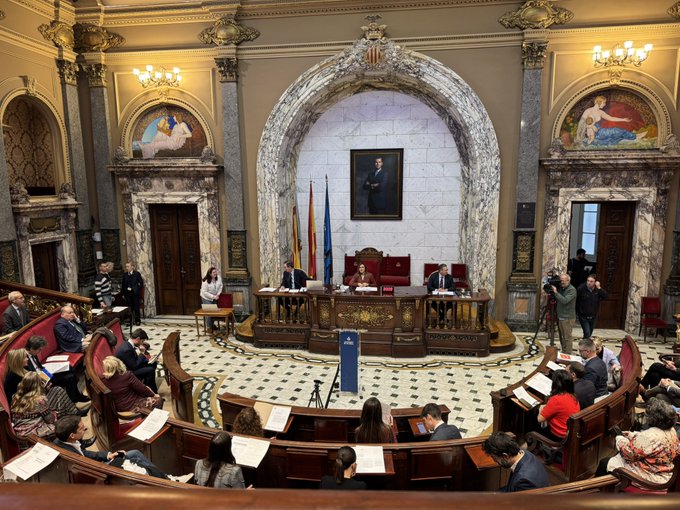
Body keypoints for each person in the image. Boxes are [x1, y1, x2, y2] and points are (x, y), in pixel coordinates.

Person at [53, 415, 179, 480]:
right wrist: (113, 462)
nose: (85, 428)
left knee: (134, 453)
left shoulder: (63, 441)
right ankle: (165, 480)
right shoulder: (70, 454)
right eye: (82, 428)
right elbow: (85, 465)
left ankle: (164, 476)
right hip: (98, 473)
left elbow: (85, 453)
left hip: (96, 466)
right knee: (134, 461)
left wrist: (108, 455)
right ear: (72, 435)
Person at [595, 399, 680, 485]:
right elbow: (653, 441)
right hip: (665, 471)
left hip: (651, 476)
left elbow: (628, 454)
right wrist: (631, 435)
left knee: (604, 463)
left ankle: (599, 490)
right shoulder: (672, 430)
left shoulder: (648, 436)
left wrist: (619, 438)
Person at [3, 348, 85, 418]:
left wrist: (44, 385)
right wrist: (43, 388)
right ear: (18, 360)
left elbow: (35, 381)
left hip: (36, 395)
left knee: (66, 379)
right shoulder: (13, 377)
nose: (27, 359)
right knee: (58, 390)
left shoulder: (24, 368)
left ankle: (73, 412)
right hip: (29, 405)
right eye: (25, 357)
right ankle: (71, 414)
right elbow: (22, 396)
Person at [25, 335, 89, 403]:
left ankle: (76, 397)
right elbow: (29, 379)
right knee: (70, 377)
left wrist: (48, 374)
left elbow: (39, 367)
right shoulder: (24, 359)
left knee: (69, 369)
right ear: (31, 348)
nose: (40, 351)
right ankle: (76, 397)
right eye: (39, 350)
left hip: (43, 376)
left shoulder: (33, 353)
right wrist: (45, 382)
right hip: (39, 381)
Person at [482, 431, 549, 492]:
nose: (495, 461)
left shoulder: (524, 481)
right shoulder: (524, 453)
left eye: (494, 458)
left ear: (505, 456)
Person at [575, 95, 646, 147]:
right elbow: (581, 123)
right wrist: (590, 126)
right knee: (616, 130)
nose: (605, 104)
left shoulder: (601, 112)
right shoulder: (588, 111)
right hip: (593, 133)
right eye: (604, 102)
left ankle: (633, 137)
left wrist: (623, 120)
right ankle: (635, 136)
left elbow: (611, 118)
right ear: (599, 102)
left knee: (617, 132)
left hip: (600, 131)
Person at [11, 372, 57, 438]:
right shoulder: (40, 400)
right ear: (38, 385)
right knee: (59, 426)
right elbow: (50, 420)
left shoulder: (15, 397)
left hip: (19, 432)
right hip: (33, 433)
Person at [537, 370, 580, 441]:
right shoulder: (574, 396)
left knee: (533, 422)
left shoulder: (556, 399)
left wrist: (540, 409)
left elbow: (540, 419)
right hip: (569, 433)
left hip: (558, 436)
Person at [115, 328, 158, 393]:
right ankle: (151, 392)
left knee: (153, 363)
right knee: (150, 370)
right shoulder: (127, 349)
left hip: (131, 366)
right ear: (138, 339)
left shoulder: (128, 344)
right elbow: (134, 366)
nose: (142, 343)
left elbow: (134, 360)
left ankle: (147, 387)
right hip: (127, 372)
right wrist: (142, 353)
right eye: (142, 341)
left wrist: (148, 359)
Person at [550, 273, 577, 353]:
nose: (561, 282)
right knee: (562, 337)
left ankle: (568, 354)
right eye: (560, 280)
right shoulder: (562, 288)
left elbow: (565, 300)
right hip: (561, 316)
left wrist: (556, 292)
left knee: (567, 337)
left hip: (567, 317)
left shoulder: (572, 290)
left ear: (568, 280)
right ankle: (564, 350)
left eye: (563, 280)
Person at [200, 266, 223, 334]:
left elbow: (221, 286)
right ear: (210, 274)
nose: (215, 273)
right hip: (206, 297)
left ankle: (212, 325)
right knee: (209, 312)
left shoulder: (218, 278)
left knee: (214, 311)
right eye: (213, 272)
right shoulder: (205, 281)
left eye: (216, 271)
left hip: (215, 296)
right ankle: (209, 327)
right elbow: (204, 292)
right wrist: (213, 296)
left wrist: (218, 294)